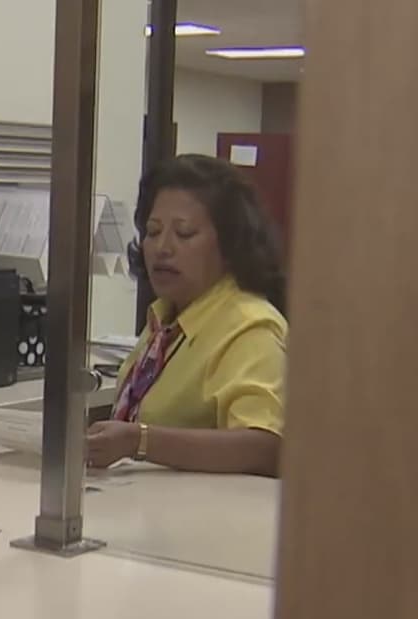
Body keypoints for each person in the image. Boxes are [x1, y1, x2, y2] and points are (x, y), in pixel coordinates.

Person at [86, 154, 287, 477]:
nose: (162, 248)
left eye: (184, 233)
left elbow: (265, 446)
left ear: (230, 244)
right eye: (153, 231)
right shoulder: (166, 317)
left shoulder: (250, 327)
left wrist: (141, 441)